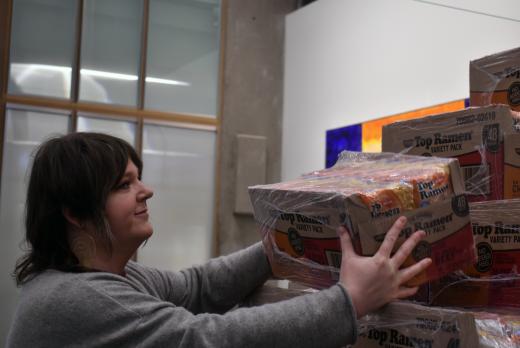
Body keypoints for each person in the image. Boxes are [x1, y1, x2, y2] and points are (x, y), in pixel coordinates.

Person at [6, 132, 431, 347]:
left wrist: (283, 239)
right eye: (124, 185)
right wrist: (350, 299)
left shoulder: (115, 278)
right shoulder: (76, 300)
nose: (146, 191)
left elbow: (198, 287)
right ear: (76, 213)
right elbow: (206, 339)